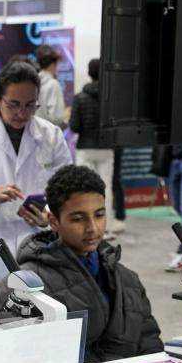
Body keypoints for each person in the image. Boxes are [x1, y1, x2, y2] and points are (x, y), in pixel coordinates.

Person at [0, 165, 162, 362]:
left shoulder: (128, 281)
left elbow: (150, 344)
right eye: (78, 219)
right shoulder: (20, 290)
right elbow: (16, 360)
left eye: (99, 215)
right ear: (54, 221)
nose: (92, 228)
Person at [0, 61, 72, 286]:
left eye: (30, 105)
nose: (21, 113)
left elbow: (66, 191)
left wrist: (48, 214)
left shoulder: (51, 136)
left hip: (37, 246)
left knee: (35, 300)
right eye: (14, 104)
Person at [70, 58, 122, 235]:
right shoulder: (112, 99)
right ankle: (105, 229)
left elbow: (74, 126)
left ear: (89, 73)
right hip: (106, 148)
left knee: (84, 189)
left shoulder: (79, 98)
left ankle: (84, 227)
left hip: (85, 148)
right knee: (105, 189)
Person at [34, 44, 65, 128]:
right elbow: (56, 118)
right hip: (49, 132)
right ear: (52, 65)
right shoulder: (53, 84)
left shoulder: (33, 83)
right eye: (57, 65)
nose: (57, 69)